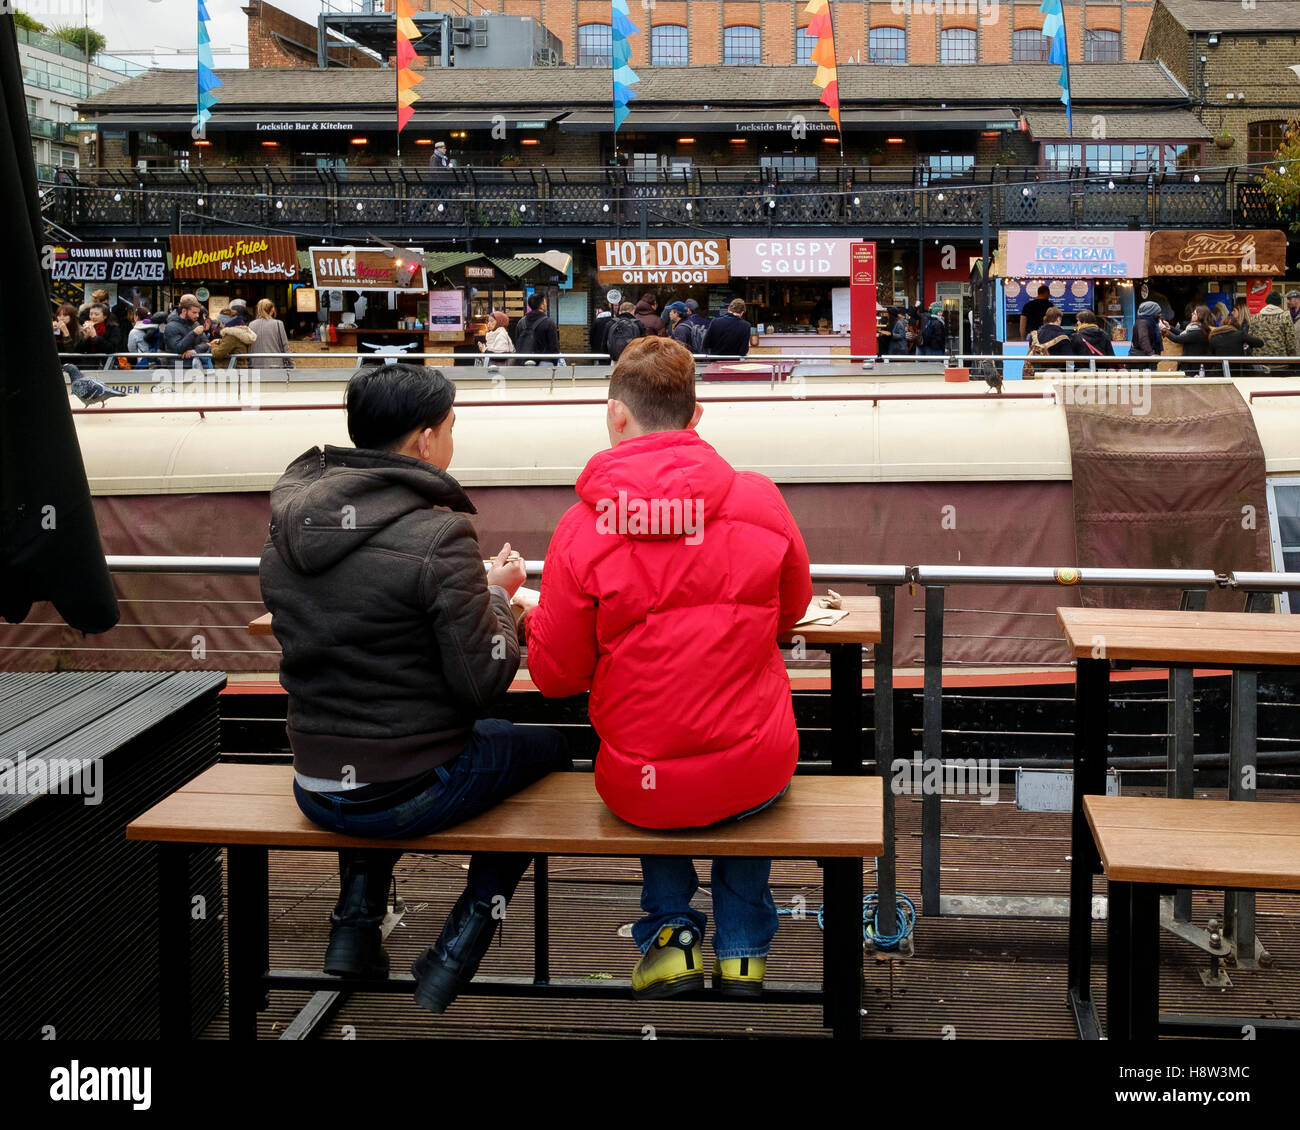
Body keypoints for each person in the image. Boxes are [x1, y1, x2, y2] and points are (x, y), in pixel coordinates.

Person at [260, 364, 571, 1012]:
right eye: (451, 428)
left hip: (316, 782)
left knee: (378, 745)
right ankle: (462, 940)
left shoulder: (290, 527)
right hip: (403, 793)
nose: (452, 442)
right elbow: (483, 684)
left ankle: (354, 924)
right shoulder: (438, 535)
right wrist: (496, 595)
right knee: (544, 752)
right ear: (426, 441)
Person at [521, 336, 812, 1000]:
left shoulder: (580, 529)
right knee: (740, 758)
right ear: (697, 414)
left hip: (641, 785)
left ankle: (669, 937)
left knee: (652, 754)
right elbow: (792, 609)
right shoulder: (760, 500)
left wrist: (532, 620)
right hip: (757, 769)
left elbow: (558, 676)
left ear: (616, 416)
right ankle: (743, 953)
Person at [1250, 290, 1298, 369]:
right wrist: (1291, 358)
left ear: (1267, 302)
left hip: (1260, 362)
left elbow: (1251, 338)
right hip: (1280, 362)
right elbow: (1291, 341)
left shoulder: (1255, 317)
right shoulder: (1285, 317)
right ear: (1280, 304)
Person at [164, 294, 214, 369]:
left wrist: (194, 351)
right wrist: (194, 333)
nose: (197, 315)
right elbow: (177, 348)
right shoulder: (171, 326)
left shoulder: (196, 324)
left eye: (198, 313)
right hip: (178, 366)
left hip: (195, 365)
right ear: (184, 311)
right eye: (194, 313)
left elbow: (206, 343)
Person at [512, 291, 560, 365]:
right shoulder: (549, 322)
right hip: (544, 364)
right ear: (541, 305)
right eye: (545, 302)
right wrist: (554, 363)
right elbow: (554, 347)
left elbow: (517, 342)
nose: (546, 304)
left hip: (522, 362)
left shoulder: (521, 322)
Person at [249, 298, 294, 369]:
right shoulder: (278, 324)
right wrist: (292, 364)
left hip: (255, 365)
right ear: (272, 309)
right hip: (275, 365)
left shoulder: (251, 325)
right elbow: (285, 346)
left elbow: (249, 347)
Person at [1165, 305, 1214, 371]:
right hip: (1191, 363)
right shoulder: (1199, 328)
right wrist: (1170, 328)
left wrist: (1165, 331)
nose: (1192, 314)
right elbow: (1183, 333)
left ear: (1200, 316)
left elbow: (1177, 339)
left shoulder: (1198, 332)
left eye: (1194, 313)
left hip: (1193, 366)